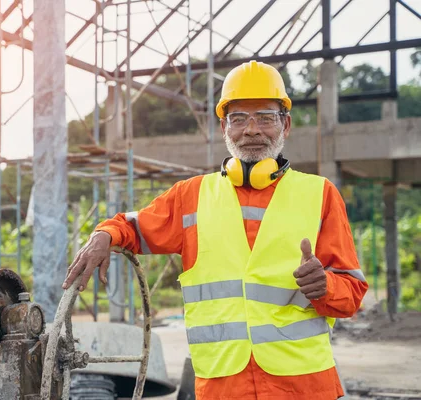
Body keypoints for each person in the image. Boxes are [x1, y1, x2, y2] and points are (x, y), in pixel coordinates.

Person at [62, 60, 368, 400]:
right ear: (224, 127)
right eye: (239, 119)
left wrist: (325, 286)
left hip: (304, 385)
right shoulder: (190, 197)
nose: (252, 130)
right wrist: (103, 235)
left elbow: (352, 293)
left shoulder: (320, 194)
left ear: (286, 125)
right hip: (223, 386)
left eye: (265, 117)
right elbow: (131, 227)